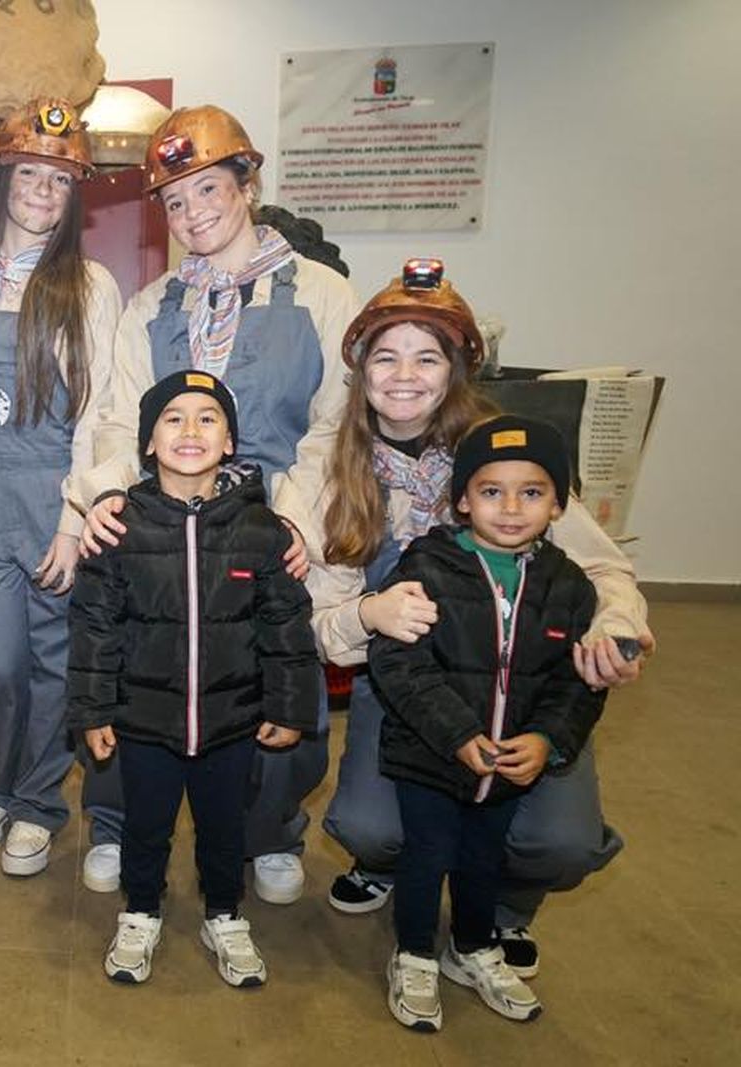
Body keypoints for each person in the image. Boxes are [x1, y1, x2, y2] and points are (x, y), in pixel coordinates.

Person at [275, 259, 650, 978]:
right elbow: (318, 618)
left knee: (561, 842)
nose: (405, 374)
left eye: (427, 356)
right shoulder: (330, 462)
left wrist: (615, 625)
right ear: (360, 369)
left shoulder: (506, 458)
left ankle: (505, 906)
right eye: (386, 355)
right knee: (367, 826)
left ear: (456, 369)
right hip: (411, 683)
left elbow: (604, 569)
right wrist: (369, 610)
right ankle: (398, 864)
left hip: (524, 678)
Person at [71, 105, 358, 901]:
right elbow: (115, 416)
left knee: (272, 671)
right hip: (164, 525)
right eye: (175, 200)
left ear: (247, 183)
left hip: (272, 528)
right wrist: (104, 500)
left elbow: (337, 424)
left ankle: (270, 833)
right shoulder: (151, 306)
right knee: (138, 667)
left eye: (208, 190)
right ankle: (119, 822)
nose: (193, 213)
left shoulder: (325, 297)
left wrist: (294, 517)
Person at [68, 370, 320, 987]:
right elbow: (93, 627)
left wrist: (290, 710)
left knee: (224, 827)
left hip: (232, 725)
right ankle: (142, 909)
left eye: (207, 418)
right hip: (144, 722)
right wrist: (93, 711)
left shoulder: (263, 531)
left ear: (230, 442)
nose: (190, 430)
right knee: (146, 824)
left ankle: (225, 913)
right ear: (148, 444)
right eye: (172, 418)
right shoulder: (119, 528)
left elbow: (287, 628)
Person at [0, 98, 121, 876]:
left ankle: (38, 800)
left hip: (52, 498)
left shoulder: (90, 285)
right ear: (0, 180)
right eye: (29, 173)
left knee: (50, 662)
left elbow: (103, 409)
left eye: (60, 178)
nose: (44, 190)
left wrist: (76, 517)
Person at [371, 414, 607, 1031]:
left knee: (483, 858)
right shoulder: (428, 566)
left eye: (531, 492)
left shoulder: (570, 586)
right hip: (432, 755)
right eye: (490, 491)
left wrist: (547, 739)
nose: (510, 508)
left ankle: (471, 947)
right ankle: (415, 952)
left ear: (558, 504)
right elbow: (399, 661)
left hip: (511, 762)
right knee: (429, 853)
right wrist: (455, 734)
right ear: (462, 501)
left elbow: (576, 681)